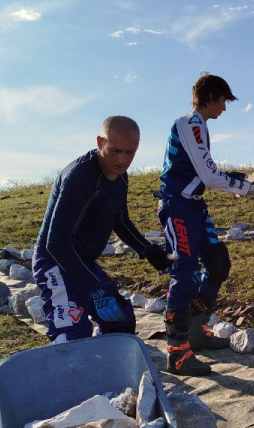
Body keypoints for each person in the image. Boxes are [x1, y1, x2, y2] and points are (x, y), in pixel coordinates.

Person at [158, 73, 254, 375]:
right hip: (177, 205)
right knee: (185, 274)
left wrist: (246, 180)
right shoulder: (189, 123)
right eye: (223, 100)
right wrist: (247, 187)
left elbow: (206, 170)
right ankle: (177, 352)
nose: (224, 107)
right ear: (210, 97)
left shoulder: (201, 127)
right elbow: (209, 176)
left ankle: (196, 328)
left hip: (194, 205)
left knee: (218, 262)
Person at [32, 116, 169, 343]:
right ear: (100, 142)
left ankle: (110, 367)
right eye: (115, 151)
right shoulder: (80, 176)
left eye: (130, 152)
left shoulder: (120, 176)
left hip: (82, 261)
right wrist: (93, 285)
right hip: (54, 262)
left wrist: (148, 250)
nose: (122, 160)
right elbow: (56, 242)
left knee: (119, 317)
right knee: (72, 336)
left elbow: (120, 220)